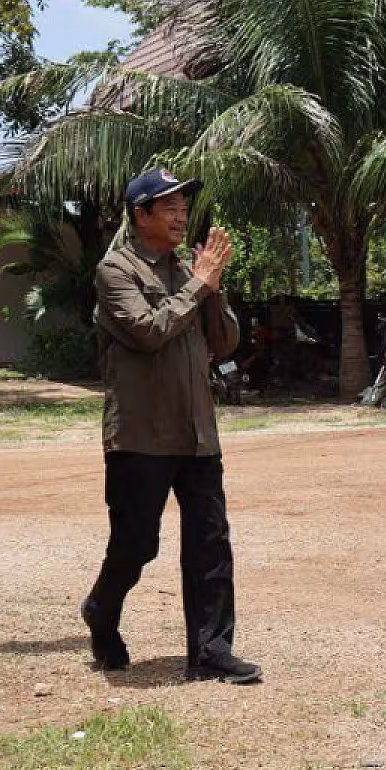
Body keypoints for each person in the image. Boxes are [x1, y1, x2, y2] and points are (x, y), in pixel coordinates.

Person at [81, 169, 260, 685]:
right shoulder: (116, 271)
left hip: (197, 431)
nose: (182, 214)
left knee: (210, 542)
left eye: (184, 204)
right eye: (169, 206)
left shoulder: (189, 270)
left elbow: (224, 344)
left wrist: (214, 289)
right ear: (141, 215)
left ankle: (210, 652)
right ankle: (101, 607)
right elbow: (148, 331)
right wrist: (200, 286)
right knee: (138, 543)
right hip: (141, 435)